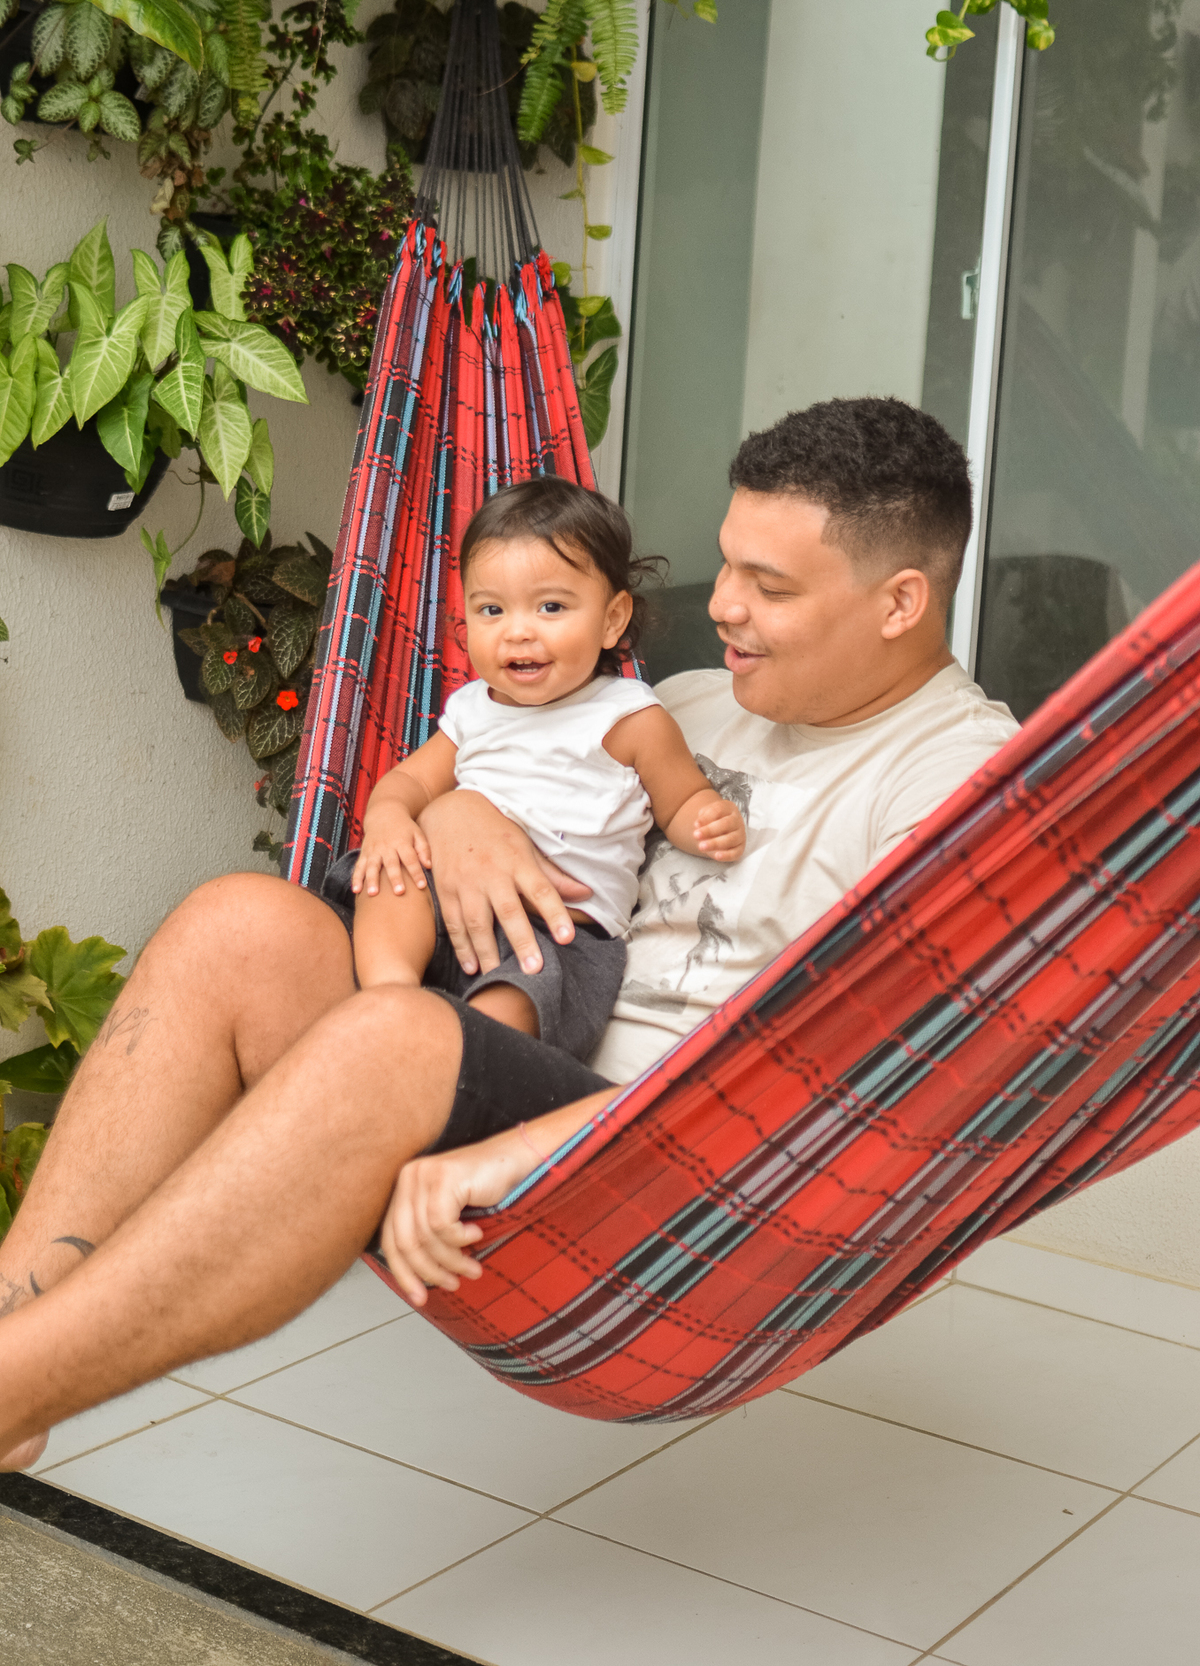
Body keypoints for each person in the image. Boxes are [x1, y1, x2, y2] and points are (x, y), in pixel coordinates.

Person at [0, 397, 1018, 1473]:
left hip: (662, 1165)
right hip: (497, 1050)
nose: (722, 606)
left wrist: (526, 1143)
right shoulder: (686, 702)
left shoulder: (957, 781)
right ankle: (15, 1332)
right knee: (236, 922)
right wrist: (450, 813)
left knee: (393, 1035)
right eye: (728, 567)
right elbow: (502, 777)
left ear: (901, 600)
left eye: (769, 587)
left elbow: (888, 1076)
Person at [342, 477, 746, 1061]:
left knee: (517, 1008)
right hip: (443, 899)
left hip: (559, 935)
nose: (518, 629)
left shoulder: (629, 716)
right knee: (388, 875)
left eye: (551, 606)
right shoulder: (472, 710)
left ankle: (452, 1060)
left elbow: (678, 801)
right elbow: (410, 781)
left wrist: (705, 819)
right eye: (491, 609)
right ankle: (389, 996)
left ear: (612, 620)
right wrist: (385, 815)